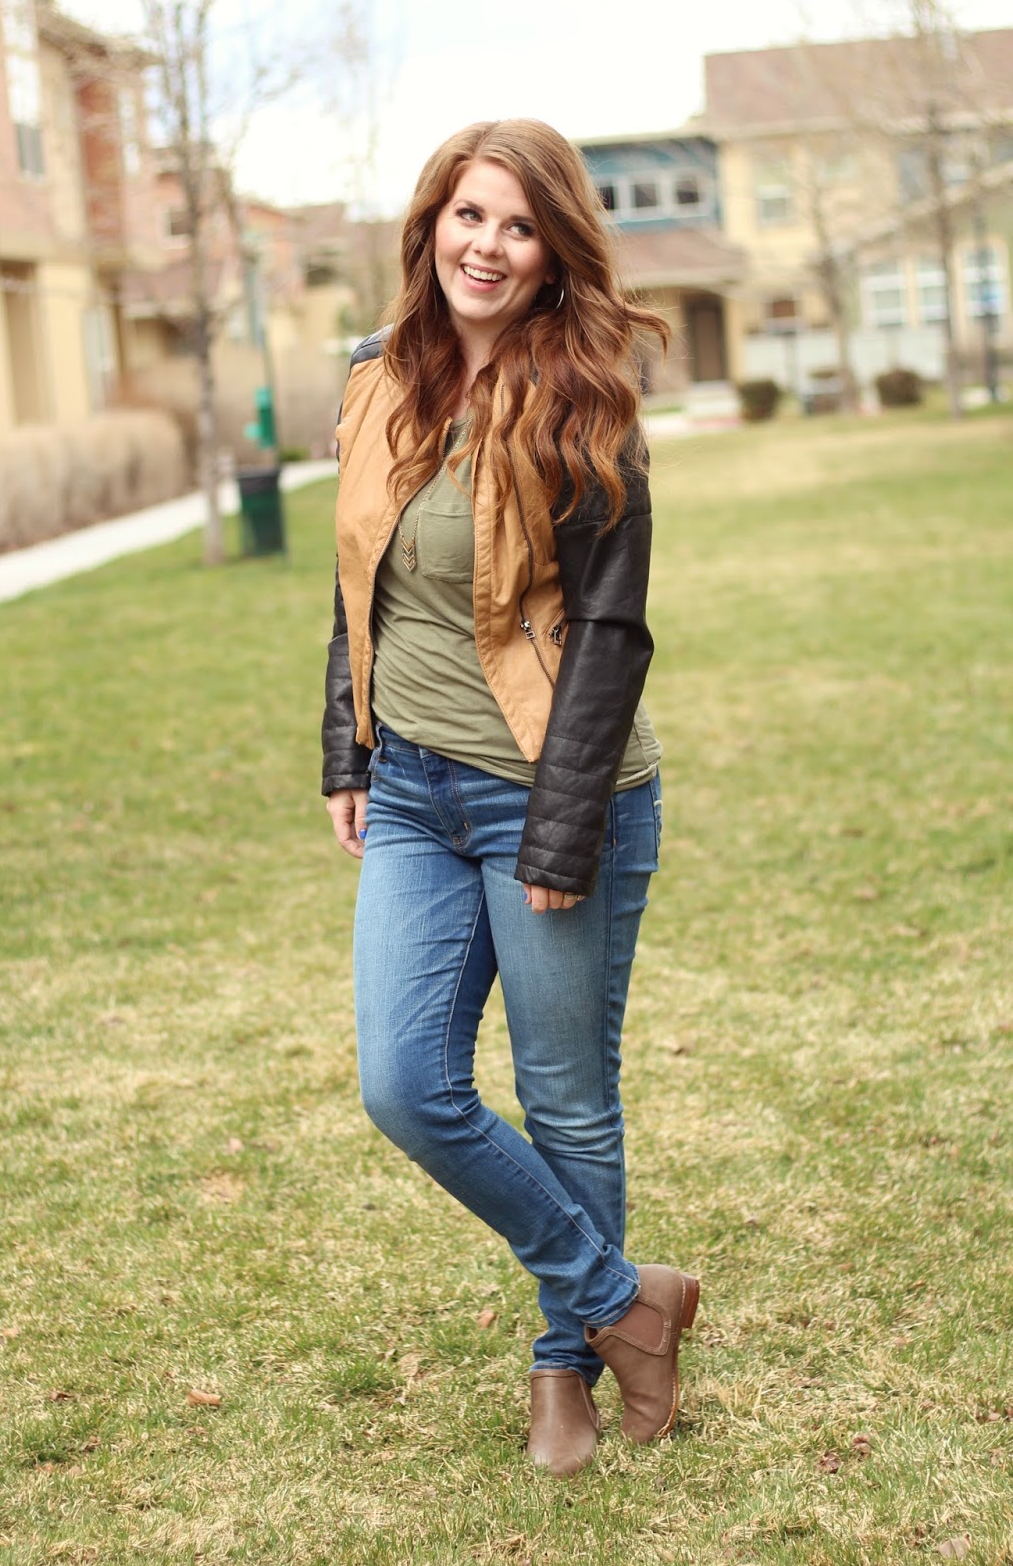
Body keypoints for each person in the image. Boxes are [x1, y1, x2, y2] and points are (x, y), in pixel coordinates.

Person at [322, 118, 698, 1478]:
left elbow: (610, 627)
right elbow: (356, 583)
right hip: (413, 789)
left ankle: (563, 1370)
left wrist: (561, 824)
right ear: (431, 222)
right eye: (468, 215)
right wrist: (348, 751)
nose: (486, 246)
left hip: (555, 789)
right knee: (404, 1084)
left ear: (554, 251)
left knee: (564, 1097)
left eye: (519, 225)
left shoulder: (583, 398)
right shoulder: (376, 376)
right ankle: (622, 1299)